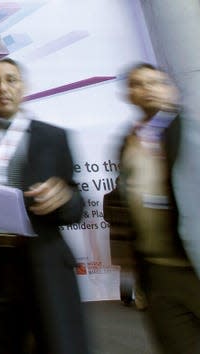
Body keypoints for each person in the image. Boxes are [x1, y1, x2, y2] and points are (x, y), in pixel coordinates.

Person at [0, 58, 88, 353]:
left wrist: (63, 198)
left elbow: (76, 205)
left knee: (55, 343)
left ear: (24, 87)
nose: (3, 88)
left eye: (11, 80)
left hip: (43, 263)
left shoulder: (52, 137)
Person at [117, 63, 199, 353]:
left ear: (172, 91)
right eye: (138, 83)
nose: (148, 88)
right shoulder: (127, 142)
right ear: (129, 94)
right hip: (158, 273)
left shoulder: (193, 132)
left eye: (156, 82)